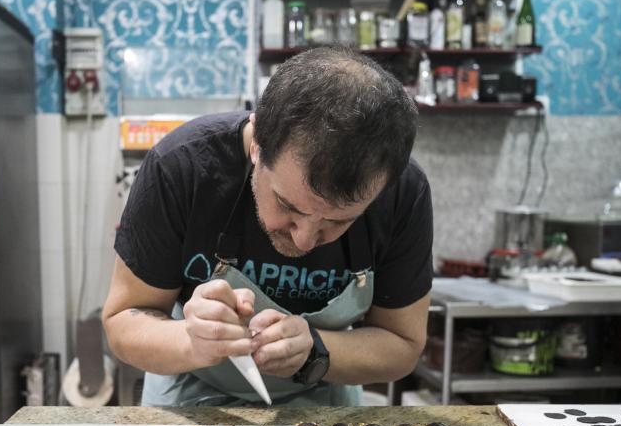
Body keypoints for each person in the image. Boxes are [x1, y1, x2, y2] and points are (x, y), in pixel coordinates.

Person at [102, 47, 432, 406]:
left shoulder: (402, 192)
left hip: (322, 398)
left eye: (339, 222)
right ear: (258, 144)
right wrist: (190, 340)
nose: (305, 240)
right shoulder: (181, 169)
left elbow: (403, 345)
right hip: (188, 395)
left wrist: (317, 350)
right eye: (287, 207)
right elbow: (123, 323)